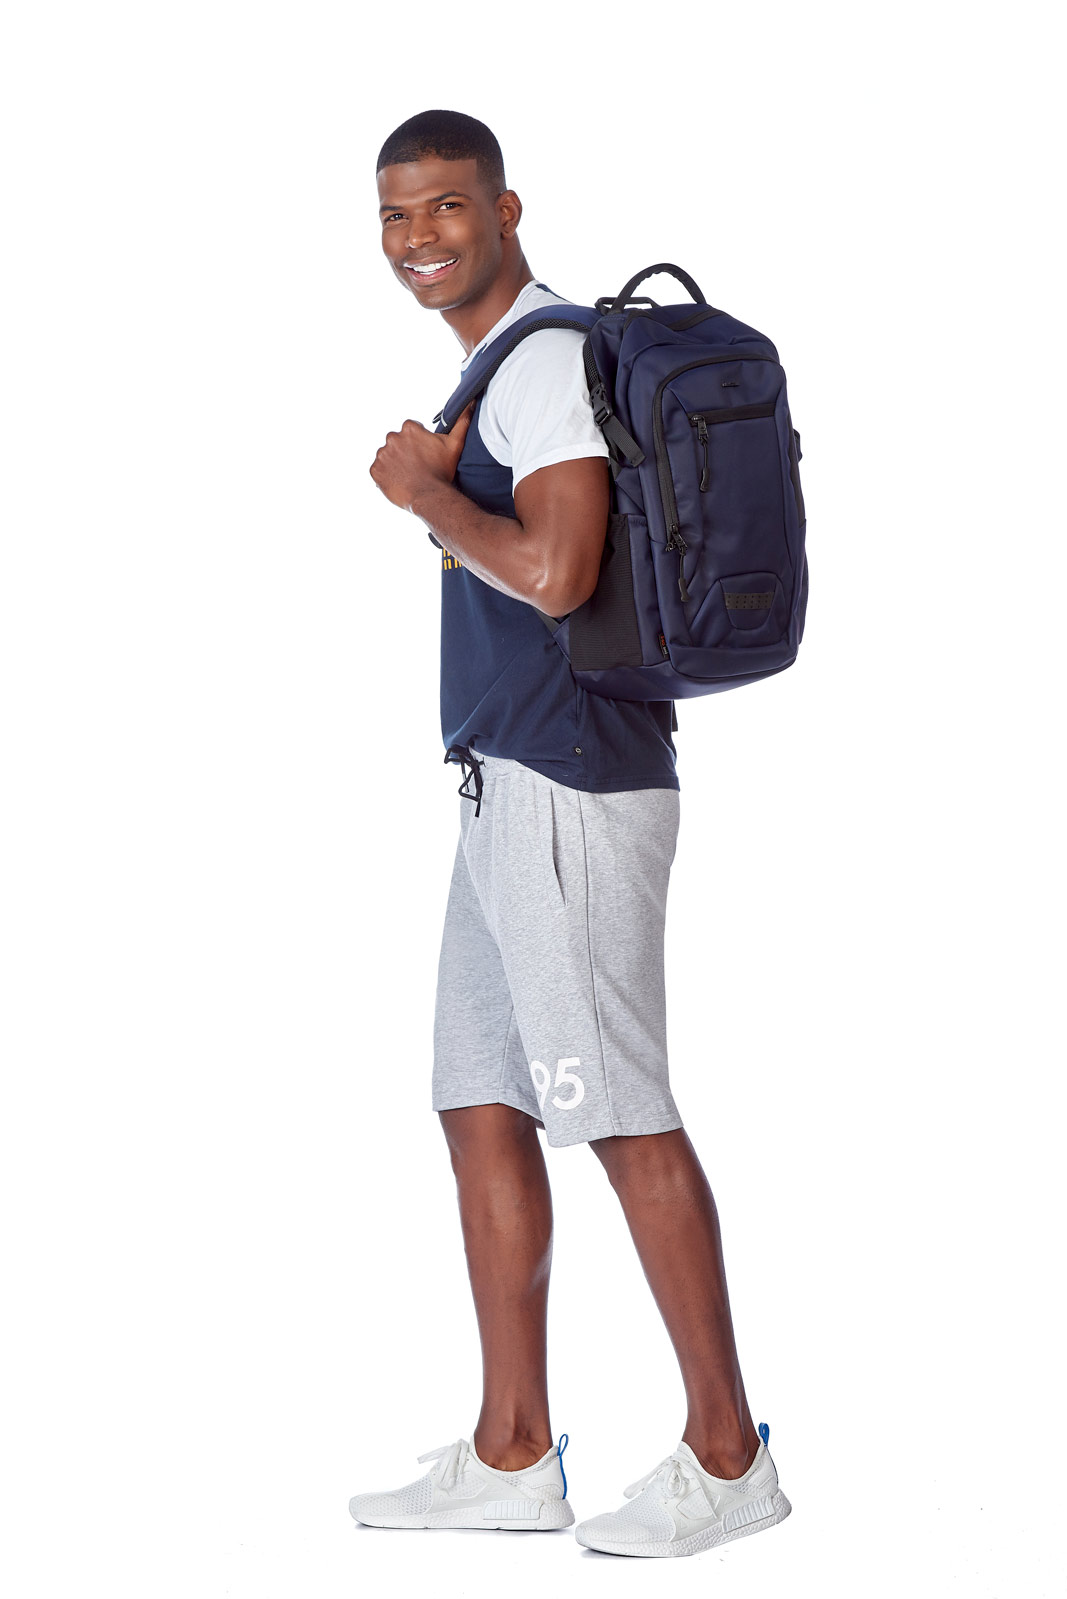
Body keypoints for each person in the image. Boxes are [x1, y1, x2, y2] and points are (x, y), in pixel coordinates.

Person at [350, 108, 791, 1560]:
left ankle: (729, 1460)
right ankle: (510, 1453)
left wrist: (425, 495)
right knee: (481, 1099)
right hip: (506, 783)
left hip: (572, 787)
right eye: (397, 214)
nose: (420, 237)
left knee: (619, 1110)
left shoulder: (540, 364)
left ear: (506, 208)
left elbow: (558, 569)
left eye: (446, 207)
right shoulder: (499, 364)